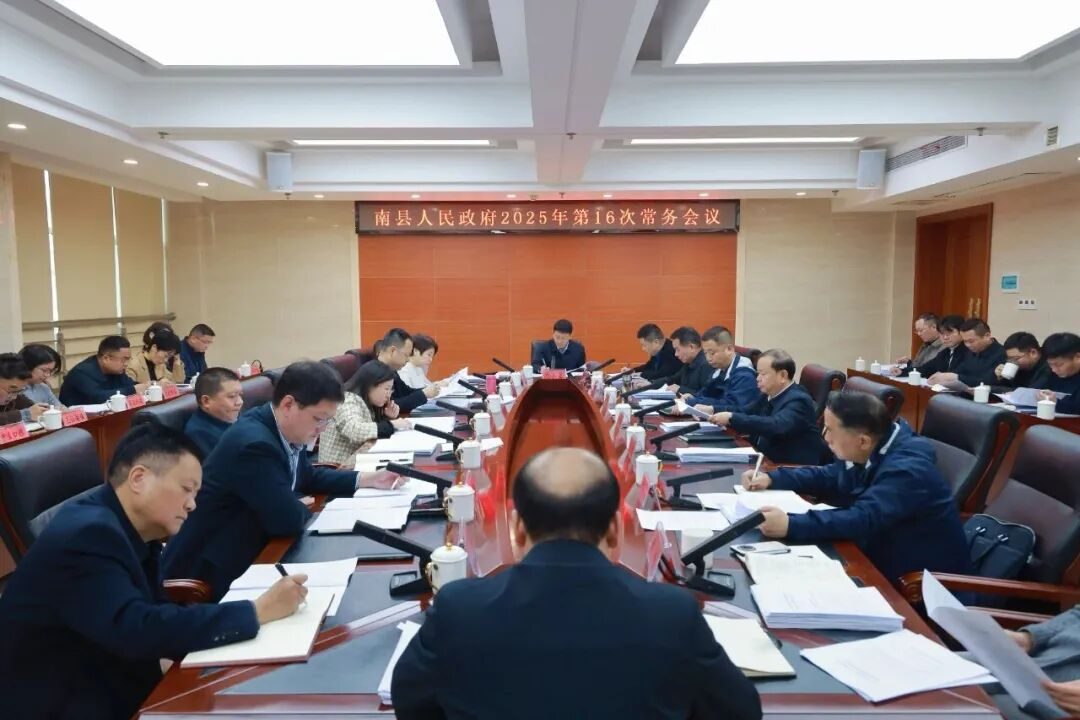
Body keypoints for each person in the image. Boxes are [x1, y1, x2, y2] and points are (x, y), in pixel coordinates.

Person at [391, 447, 762, 720]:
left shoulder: (459, 609)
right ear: (614, 530)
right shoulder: (673, 614)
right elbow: (740, 711)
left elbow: (410, 701)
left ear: (517, 529)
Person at [0, 423, 308, 720]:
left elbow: (152, 613)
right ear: (139, 478)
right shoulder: (89, 534)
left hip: (107, 673)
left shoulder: (128, 528)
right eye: (186, 490)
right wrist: (256, 611)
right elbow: (137, 628)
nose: (192, 505)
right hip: (62, 701)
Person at [162, 361, 397, 599]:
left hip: (254, 548)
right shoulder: (255, 445)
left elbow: (307, 476)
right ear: (288, 405)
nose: (323, 429)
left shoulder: (280, 428)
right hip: (211, 575)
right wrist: (291, 503)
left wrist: (366, 479)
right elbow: (287, 520)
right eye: (319, 419)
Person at [740, 391, 971, 582]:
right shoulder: (874, 445)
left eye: (830, 430)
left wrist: (791, 524)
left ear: (863, 441)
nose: (824, 437)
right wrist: (773, 478)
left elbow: (864, 518)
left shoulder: (908, 470)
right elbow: (831, 475)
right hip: (874, 554)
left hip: (918, 586)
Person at [710, 349, 827, 465]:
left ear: (782, 375)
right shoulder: (768, 394)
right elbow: (745, 411)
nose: (757, 378)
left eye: (763, 374)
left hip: (788, 467)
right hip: (764, 458)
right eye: (758, 373)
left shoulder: (799, 400)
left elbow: (776, 426)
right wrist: (713, 409)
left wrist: (732, 418)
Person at [318, 360, 411, 466]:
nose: (389, 395)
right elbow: (354, 430)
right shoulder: (347, 400)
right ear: (370, 385)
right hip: (338, 468)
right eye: (387, 389)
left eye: (391, 390)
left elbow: (371, 431)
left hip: (359, 460)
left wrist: (387, 417)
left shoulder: (368, 402)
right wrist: (391, 425)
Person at [683, 325, 761, 414]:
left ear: (729, 349)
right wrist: (692, 397)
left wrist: (695, 402)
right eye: (705, 353)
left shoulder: (744, 376)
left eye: (712, 353)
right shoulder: (719, 369)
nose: (708, 358)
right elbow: (707, 392)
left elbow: (733, 406)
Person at [59, 335, 143, 406]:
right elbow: (99, 398)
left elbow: (128, 385)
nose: (126, 364)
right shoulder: (81, 372)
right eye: (124, 359)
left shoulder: (117, 370)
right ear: (106, 358)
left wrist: (145, 386)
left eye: (128, 359)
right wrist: (133, 389)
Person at [374, 328, 439, 413]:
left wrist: (426, 391)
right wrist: (424, 394)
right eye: (406, 355)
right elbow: (389, 406)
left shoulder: (390, 369)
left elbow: (406, 391)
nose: (408, 359)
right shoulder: (375, 373)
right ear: (393, 351)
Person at [184, 367, 244, 456]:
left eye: (240, 395)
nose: (240, 402)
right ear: (206, 401)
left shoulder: (235, 416)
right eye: (232, 396)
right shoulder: (199, 434)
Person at [929, 318, 1005, 388]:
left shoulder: (1002, 354)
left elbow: (989, 382)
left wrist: (957, 377)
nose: (968, 345)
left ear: (987, 336)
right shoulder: (970, 352)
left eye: (971, 341)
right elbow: (959, 371)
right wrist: (944, 376)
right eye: (965, 341)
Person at [0, 353, 47, 424]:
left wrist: (42, 410)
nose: (14, 397)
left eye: (18, 391)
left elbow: (32, 407)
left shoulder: (16, 398)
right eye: (11, 391)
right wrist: (25, 415)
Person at [917, 314, 968, 379]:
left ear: (961, 332)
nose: (945, 337)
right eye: (942, 333)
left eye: (949, 333)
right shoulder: (944, 352)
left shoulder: (969, 352)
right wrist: (904, 371)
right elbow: (924, 369)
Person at [666, 326, 712, 394]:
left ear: (691, 347)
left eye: (677, 350)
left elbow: (707, 395)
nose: (676, 354)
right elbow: (672, 379)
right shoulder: (688, 363)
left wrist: (680, 389)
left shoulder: (706, 364)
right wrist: (652, 383)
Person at [18, 343, 64, 411]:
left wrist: (61, 409)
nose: (47, 375)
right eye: (44, 370)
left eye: (50, 371)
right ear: (27, 365)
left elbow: (58, 406)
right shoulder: (14, 390)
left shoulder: (43, 387)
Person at [1043, 332, 1080, 415]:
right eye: (1050, 364)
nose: (1054, 370)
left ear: (1078, 357)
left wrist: (1056, 403)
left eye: (1059, 365)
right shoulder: (1052, 373)